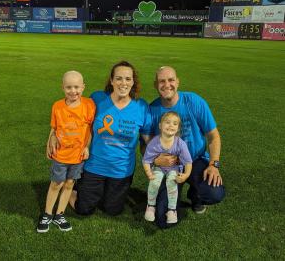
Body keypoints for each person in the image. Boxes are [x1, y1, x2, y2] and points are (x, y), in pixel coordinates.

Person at [58, 61, 151, 216]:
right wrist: (54, 134)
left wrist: (160, 157)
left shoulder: (141, 106)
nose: (123, 83)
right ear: (112, 80)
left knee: (112, 210)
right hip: (94, 166)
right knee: (84, 209)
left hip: (121, 170)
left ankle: (106, 192)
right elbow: (71, 113)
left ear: (133, 82)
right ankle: (70, 187)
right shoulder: (97, 98)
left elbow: (147, 140)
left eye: (128, 79)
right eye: (119, 78)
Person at [149, 66, 225, 228]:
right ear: (155, 85)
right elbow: (145, 145)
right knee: (162, 220)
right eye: (162, 81)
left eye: (171, 80)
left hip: (196, 160)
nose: (167, 84)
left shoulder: (194, 101)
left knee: (213, 193)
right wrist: (156, 158)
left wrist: (213, 165)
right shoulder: (152, 110)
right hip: (170, 165)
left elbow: (213, 136)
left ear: (178, 82)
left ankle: (196, 195)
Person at [37, 71, 96, 233]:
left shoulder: (89, 105)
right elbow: (54, 128)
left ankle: (59, 214)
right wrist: (49, 142)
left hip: (78, 155)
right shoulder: (57, 106)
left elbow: (90, 129)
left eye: (77, 87)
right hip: (61, 154)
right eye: (69, 87)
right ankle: (47, 214)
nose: (73, 91)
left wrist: (86, 147)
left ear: (83, 87)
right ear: (63, 88)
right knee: (56, 183)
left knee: (70, 183)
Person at [143, 111, 192, 224]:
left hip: (173, 169)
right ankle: (150, 206)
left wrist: (186, 175)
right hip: (159, 168)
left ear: (178, 128)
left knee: (172, 182)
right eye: (167, 122)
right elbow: (146, 160)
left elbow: (188, 162)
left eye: (175, 123)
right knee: (154, 182)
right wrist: (148, 172)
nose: (171, 125)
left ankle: (171, 210)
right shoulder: (154, 142)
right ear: (160, 125)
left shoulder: (180, 143)